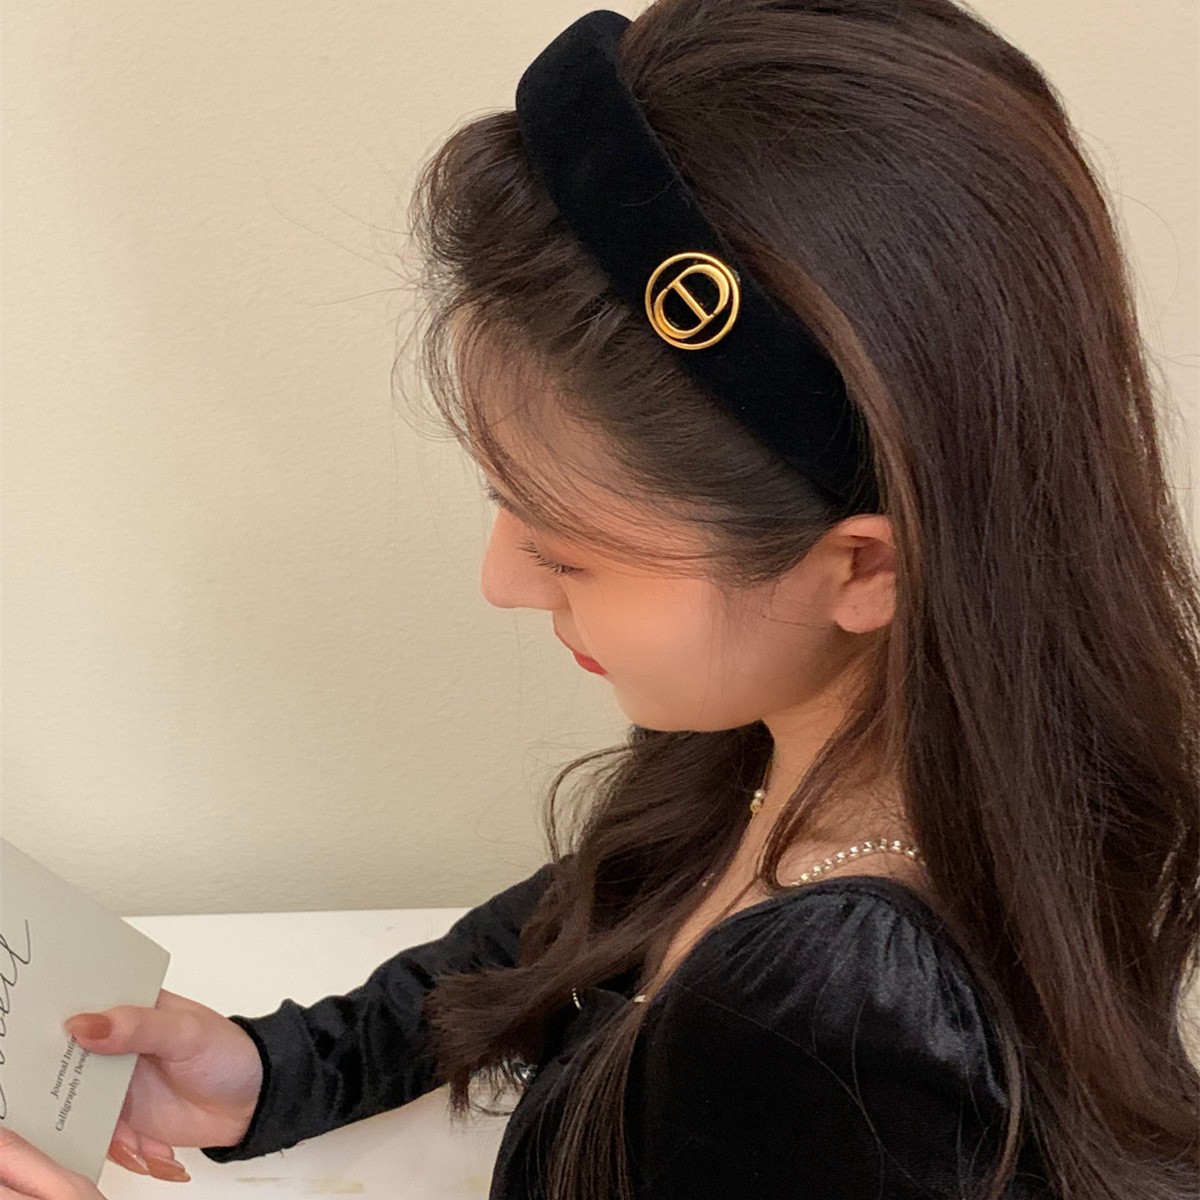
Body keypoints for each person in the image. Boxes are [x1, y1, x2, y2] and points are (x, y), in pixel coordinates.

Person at [6, 0, 1198, 1197]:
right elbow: (580, 917)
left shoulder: (829, 1033)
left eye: (568, 551)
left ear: (863, 571)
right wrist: (275, 1071)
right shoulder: (793, 749)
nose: (501, 581)